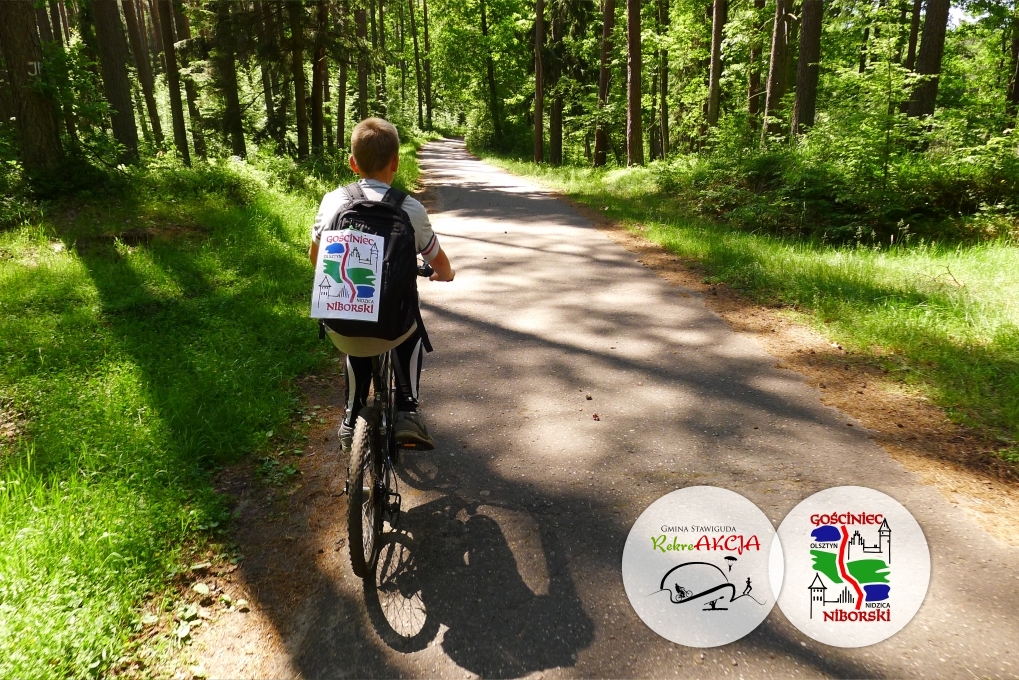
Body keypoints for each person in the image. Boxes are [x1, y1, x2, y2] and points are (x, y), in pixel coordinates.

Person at [309, 118, 455, 452]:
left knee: (355, 331)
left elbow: (316, 257)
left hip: (340, 326)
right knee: (411, 328)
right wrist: (446, 275)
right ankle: (408, 410)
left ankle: (351, 416)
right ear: (395, 162)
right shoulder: (410, 208)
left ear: (353, 163)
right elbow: (440, 263)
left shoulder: (332, 201)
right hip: (393, 328)